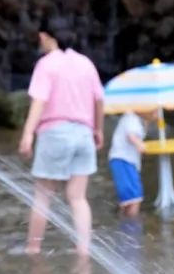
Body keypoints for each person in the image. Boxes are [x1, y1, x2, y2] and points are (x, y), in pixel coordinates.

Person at [19, 17, 105, 256]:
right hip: (83, 135)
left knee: (43, 196)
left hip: (55, 134)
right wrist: (98, 130)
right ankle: (84, 250)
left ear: (46, 37)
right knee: (78, 197)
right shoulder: (86, 63)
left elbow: (39, 101)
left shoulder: (47, 64)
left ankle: (33, 248)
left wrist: (27, 134)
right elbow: (99, 100)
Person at [107, 109, 155, 218]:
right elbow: (131, 135)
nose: (155, 113)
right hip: (123, 160)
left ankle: (124, 220)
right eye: (153, 110)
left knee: (130, 196)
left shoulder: (138, 119)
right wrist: (139, 144)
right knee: (134, 196)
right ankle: (131, 225)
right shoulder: (131, 118)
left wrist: (147, 122)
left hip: (126, 161)